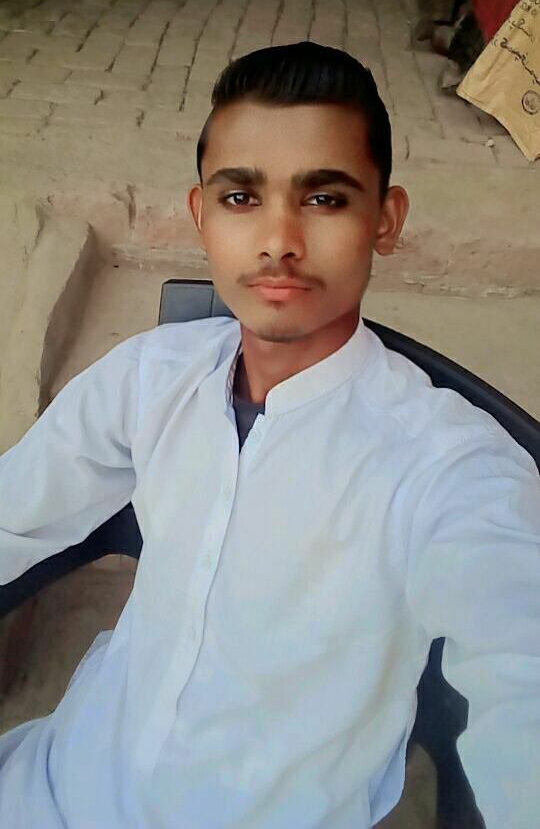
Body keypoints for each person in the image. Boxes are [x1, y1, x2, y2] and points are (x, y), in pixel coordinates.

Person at [0, 42, 539, 828]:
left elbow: (523, 661)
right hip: (48, 787)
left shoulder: (448, 464)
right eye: (241, 197)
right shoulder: (151, 378)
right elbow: (12, 511)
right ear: (201, 215)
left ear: (385, 220)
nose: (279, 239)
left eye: (324, 198)